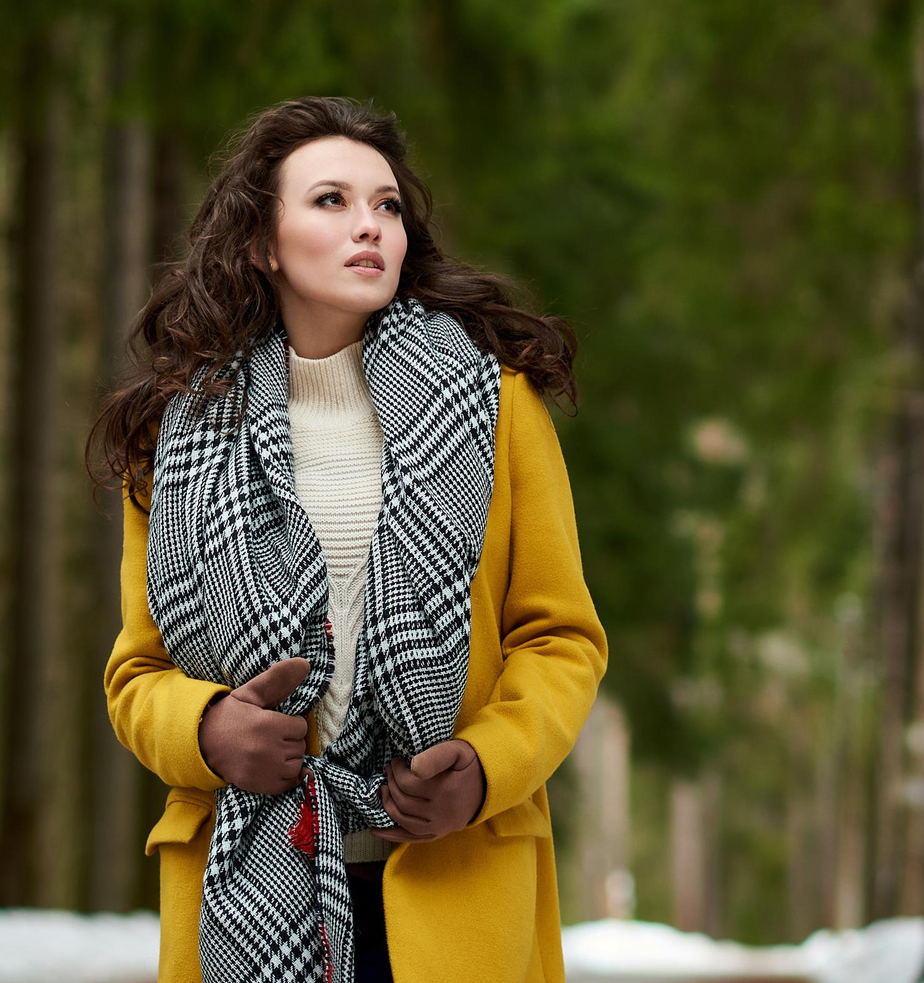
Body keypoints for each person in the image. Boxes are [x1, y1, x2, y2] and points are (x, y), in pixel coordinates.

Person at [96, 97, 607, 983]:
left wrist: (487, 768)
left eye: (387, 206)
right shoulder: (178, 436)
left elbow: (561, 639)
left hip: (457, 881)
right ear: (262, 240)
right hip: (253, 886)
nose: (368, 225)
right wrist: (210, 729)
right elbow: (136, 676)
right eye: (331, 201)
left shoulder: (493, 404)